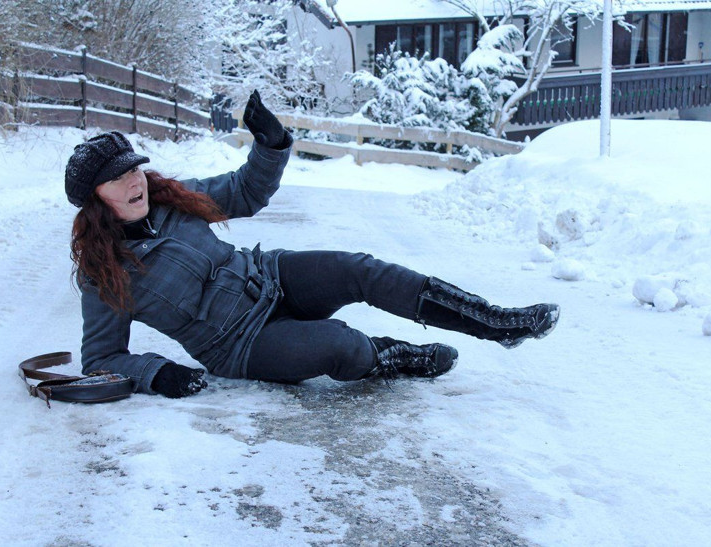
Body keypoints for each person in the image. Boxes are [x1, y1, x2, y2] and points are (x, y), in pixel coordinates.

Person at [66, 91, 560, 399]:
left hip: (270, 278)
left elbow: (245, 191)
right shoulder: (103, 273)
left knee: (358, 269)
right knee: (339, 346)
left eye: (135, 169)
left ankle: (495, 322)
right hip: (239, 344)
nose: (135, 183)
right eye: (119, 179)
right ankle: (390, 356)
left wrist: (271, 143)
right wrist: (158, 373)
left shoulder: (169, 198)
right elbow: (102, 358)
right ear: (94, 199)